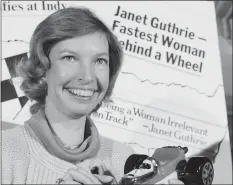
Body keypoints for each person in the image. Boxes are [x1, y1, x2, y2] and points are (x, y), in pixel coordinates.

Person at [2, 6, 184, 185]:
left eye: (99, 61)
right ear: (42, 69)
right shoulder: (5, 151)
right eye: (70, 58)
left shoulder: (124, 159)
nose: (88, 76)